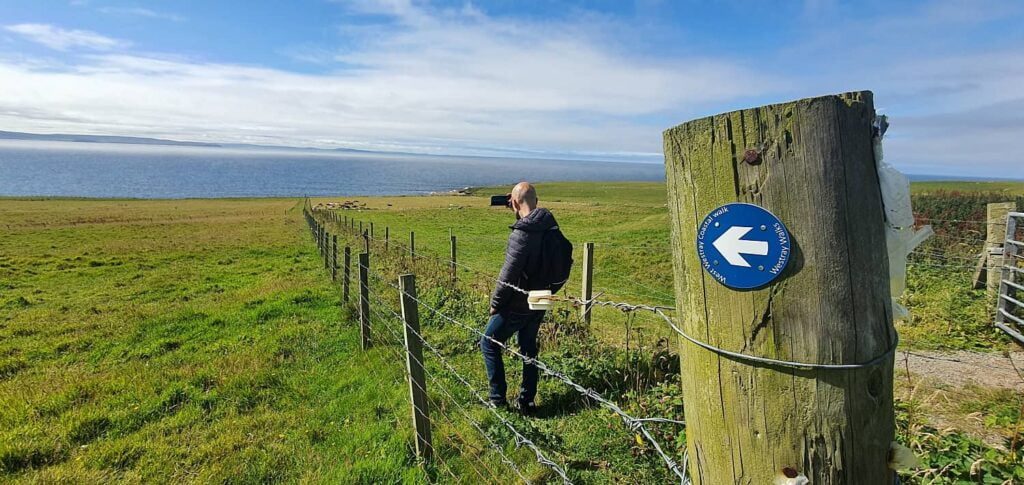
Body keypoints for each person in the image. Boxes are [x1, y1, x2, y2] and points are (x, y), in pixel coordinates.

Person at [482, 181, 560, 413]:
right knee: (528, 346)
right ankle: (527, 400)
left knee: (489, 342)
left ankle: (497, 399)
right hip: (542, 295)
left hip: (520, 300)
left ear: (515, 202)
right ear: (536, 201)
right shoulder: (549, 225)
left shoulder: (522, 233)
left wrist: (495, 304)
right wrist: (519, 212)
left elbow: (508, 275)